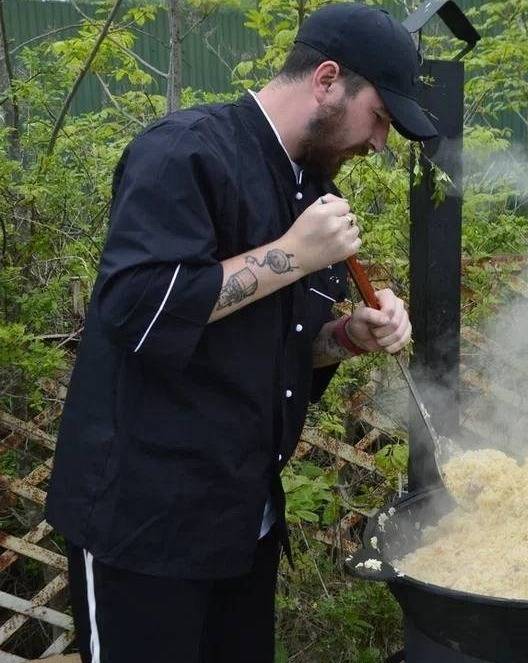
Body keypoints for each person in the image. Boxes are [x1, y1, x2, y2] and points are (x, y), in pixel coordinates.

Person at [45, 4, 434, 661]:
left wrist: (345, 336)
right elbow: (137, 310)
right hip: (143, 530)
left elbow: (266, 346)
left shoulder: (309, 188)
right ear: (328, 79)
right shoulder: (184, 151)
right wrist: (293, 253)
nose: (378, 144)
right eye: (380, 118)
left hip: (240, 527)